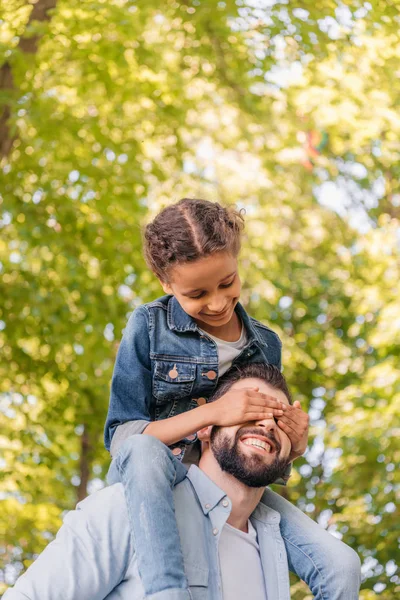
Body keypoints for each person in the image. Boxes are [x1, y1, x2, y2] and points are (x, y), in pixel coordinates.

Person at [104, 198, 355, 600]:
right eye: (197, 293)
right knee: (143, 451)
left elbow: (260, 457)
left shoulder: (266, 344)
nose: (218, 302)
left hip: (231, 476)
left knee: (340, 566)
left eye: (227, 283)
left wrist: (293, 447)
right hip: (158, 474)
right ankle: (168, 593)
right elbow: (122, 439)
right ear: (166, 284)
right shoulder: (148, 326)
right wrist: (218, 412)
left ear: (237, 261)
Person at [4, 364, 361, 600]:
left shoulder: (277, 549)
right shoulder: (128, 509)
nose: (267, 424)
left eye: (280, 420)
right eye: (250, 410)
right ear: (205, 427)